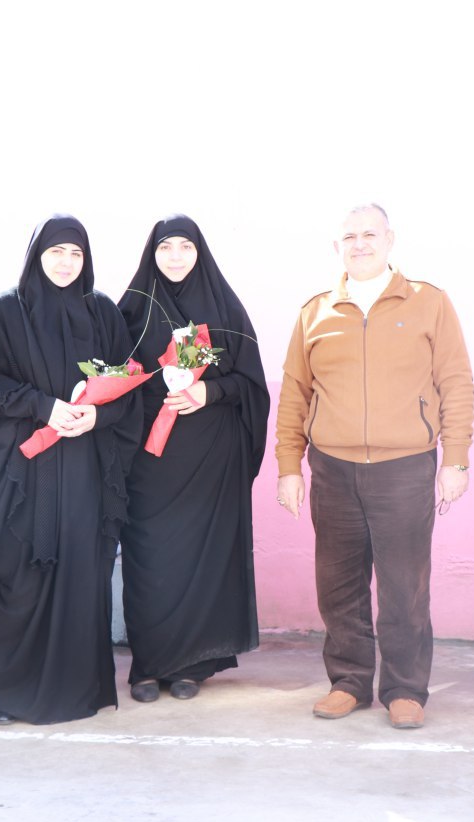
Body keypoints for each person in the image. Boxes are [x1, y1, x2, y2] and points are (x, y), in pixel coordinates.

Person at [275, 203, 474, 729]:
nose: (359, 244)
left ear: (390, 240)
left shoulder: (429, 302)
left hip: (404, 467)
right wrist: (289, 466)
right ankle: (349, 681)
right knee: (338, 585)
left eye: (370, 234)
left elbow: (455, 381)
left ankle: (405, 689)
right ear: (336, 247)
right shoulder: (315, 312)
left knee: (404, 587)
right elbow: (295, 394)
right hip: (332, 468)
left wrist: (455, 459)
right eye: (349, 237)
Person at [0, 215, 142, 725]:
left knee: (81, 572)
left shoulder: (103, 312)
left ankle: (75, 687)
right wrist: (43, 407)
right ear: (35, 256)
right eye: (55, 253)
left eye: (76, 254)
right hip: (23, 471)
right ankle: (9, 692)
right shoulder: (4, 311)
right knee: (22, 575)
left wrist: (96, 416)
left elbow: (128, 389)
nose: (66, 263)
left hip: (85, 470)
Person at [117, 215, 270, 703]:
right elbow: (112, 378)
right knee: (149, 559)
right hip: (149, 463)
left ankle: (191, 665)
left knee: (200, 563)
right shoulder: (132, 308)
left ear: (199, 252)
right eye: (166, 247)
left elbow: (251, 384)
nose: (176, 256)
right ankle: (147, 665)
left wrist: (209, 391)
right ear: (152, 253)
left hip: (210, 460)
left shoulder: (225, 308)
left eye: (186, 246)